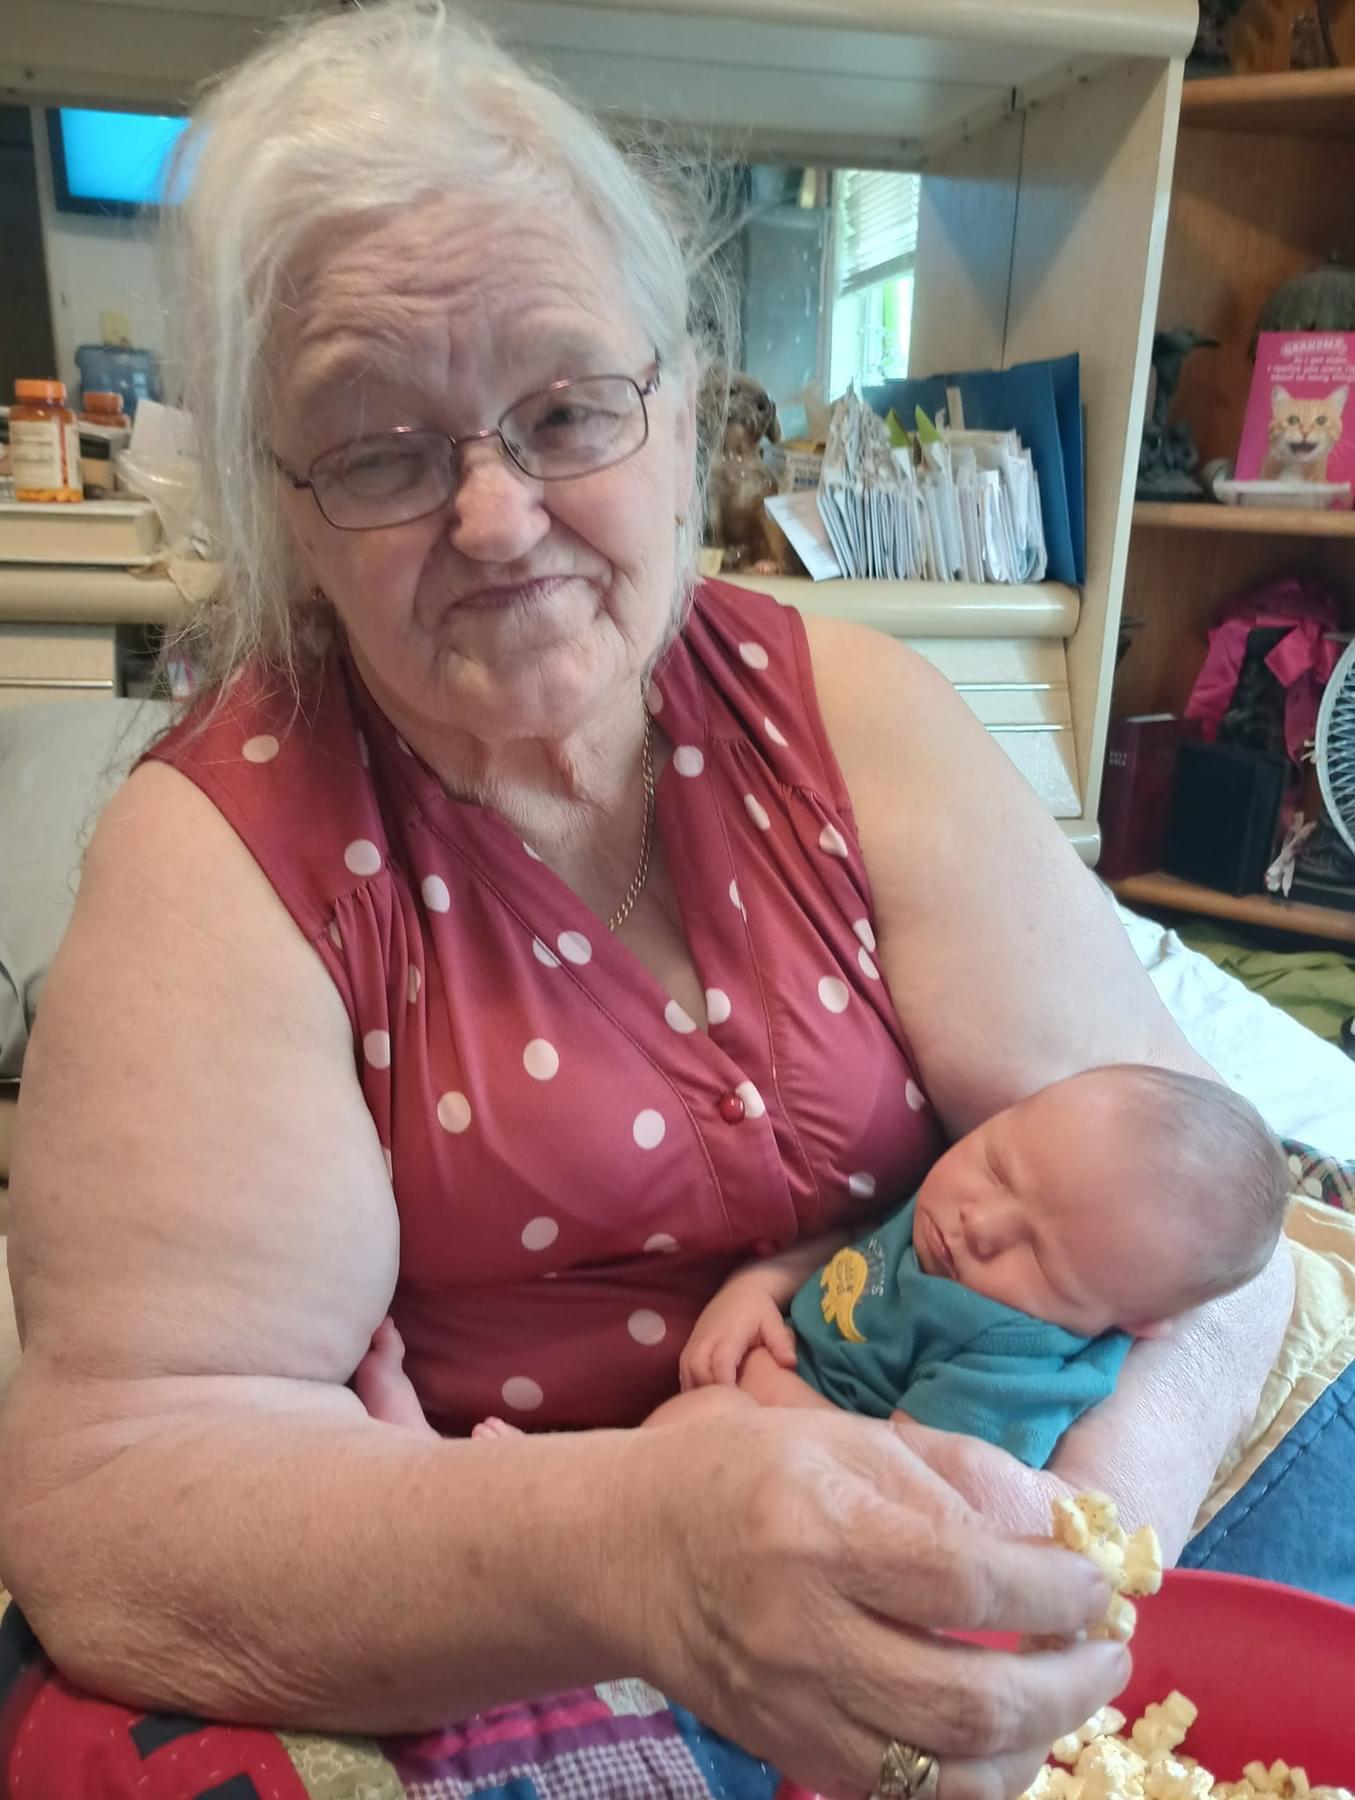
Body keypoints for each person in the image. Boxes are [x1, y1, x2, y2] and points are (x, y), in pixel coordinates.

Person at [0, 3, 1293, 1797]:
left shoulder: (846, 710)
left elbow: (1214, 1239)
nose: (495, 517)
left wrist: (1066, 1566)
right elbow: (115, 1503)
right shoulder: (224, 854)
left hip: (962, 1488)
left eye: (564, 411)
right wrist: (633, 1546)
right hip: (523, 1591)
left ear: (679, 411)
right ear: (284, 508)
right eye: (378, 452)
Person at [357, 1064, 1290, 1472]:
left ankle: (506, 1493)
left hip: (810, 1485)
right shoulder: (958, 1199)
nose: (976, 1224)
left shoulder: (1016, 1364)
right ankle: (486, 1488)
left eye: (1040, 1255)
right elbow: (851, 1242)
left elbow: (914, 1476)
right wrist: (755, 1288)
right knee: (689, 1437)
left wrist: (765, 1391)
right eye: (999, 1165)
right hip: (751, 1406)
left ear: (1130, 1320)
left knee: (700, 1435)